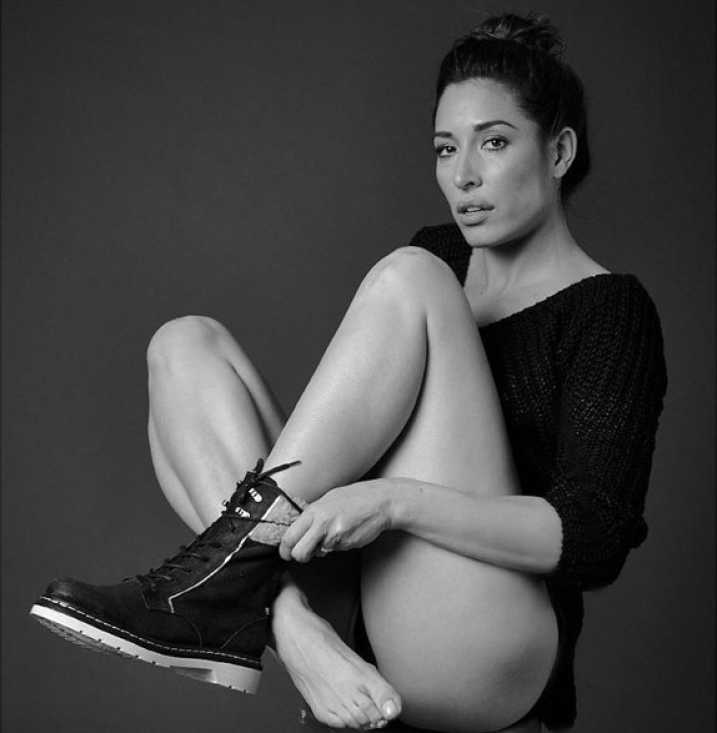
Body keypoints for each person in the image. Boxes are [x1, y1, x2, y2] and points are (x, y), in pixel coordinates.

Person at [29, 12, 668, 733]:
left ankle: (228, 596)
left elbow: (594, 538)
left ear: (558, 151)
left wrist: (395, 502)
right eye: (445, 148)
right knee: (183, 346)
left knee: (412, 275)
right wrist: (320, 573)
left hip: (485, 644)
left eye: (493, 142)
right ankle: (284, 620)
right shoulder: (439, 255)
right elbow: (342, 449)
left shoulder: (608, 310)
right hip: (362, 599)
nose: (462, 175)